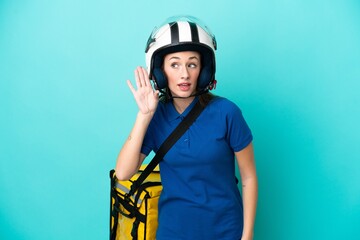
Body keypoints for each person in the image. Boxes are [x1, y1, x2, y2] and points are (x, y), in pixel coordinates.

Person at [115, 15, 258, 240]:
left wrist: (247, 234)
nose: (184, 74)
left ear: (204, 70)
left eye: (192, 64)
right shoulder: (156, 117)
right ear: (161, 71)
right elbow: (123, 172)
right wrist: (144, 116)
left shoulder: (227, 113)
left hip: (225, 231)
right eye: (175, 64)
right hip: (173, 233)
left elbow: (249, 177)